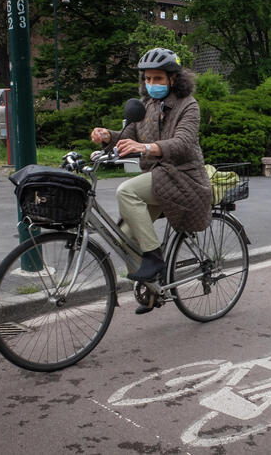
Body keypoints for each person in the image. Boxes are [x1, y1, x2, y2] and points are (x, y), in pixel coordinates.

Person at [90, 48, 212, 313]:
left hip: (184, 178)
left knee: (126, 192)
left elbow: (182, 143)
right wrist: (107, 136)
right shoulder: (146, 106)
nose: (151, 84)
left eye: (158, 78)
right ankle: (153, 287)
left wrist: (144, 149)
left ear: (172, 79)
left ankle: (153, 258)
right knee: (124, 235)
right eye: (147, 79)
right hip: (159, 178)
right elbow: (129, 134)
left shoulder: (188, 105)